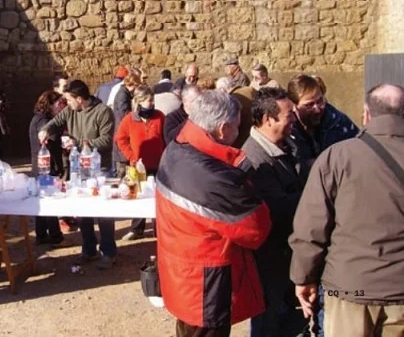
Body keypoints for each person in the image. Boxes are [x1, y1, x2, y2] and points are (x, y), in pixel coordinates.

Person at [289, 84, 404, 337]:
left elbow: (311, 227)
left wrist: (303, 277)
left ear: (366, 114)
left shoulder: (337, 157)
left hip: (351, 288)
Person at [156, 90, 271, 337]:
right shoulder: (215, 177)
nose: (240, 133)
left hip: (182, 270)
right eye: (237, 127)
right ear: (222, 129)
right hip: (205, 283)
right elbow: (257, 230)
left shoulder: (177, 148)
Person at [242, 88, 309, 336]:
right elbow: (278, 207)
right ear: (268, 120)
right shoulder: (255, 160)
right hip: (271, 259)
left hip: (288, 254)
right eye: (289, 115)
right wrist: (317, 197)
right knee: (268, 322)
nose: (294, 118)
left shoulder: (287, 143)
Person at [38, 80, 116, 270]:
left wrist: (80, 145)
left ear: (79, 99)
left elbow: (106, 140)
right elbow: (56, 122)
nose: (66, 104)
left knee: (103, 212)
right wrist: (45, 130)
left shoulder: (104, 112)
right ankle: (89, 249)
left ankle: (108, 251)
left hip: (99, 168)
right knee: (81, 210)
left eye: (69, 100)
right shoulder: (71, 111)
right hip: (78, 168)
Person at [114, 87, 164, 241]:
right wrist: (131, 156)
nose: (152, 103)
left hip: (158, 164)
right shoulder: (129, 119)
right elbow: (120, 139)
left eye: (152, 99)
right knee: (136, 196)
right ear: (139, 101)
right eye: (149, 100)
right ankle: (137, 229)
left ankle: (159, 230)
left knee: (158, 199)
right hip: (136, 166)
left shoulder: (160, 116)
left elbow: (166, 136)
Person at [29, 91, 65, 245]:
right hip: (46, 166)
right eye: (58, 104)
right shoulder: (43, 120)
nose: (61, 107)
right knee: (49, 202)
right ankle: (55, 237)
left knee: (42, 201)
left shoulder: (37, 118)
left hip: (41, 166)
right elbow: (51, 137)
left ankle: (41, 235)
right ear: (50, 104)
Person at [112, 71, 143, 178]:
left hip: (122, 142)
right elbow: (124, 117)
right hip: (122, 144)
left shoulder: (124, 94)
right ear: (133, 85)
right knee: (123, 175)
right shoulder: (122, 96)